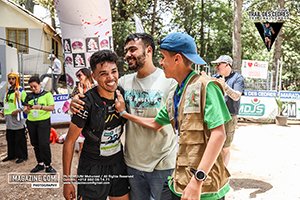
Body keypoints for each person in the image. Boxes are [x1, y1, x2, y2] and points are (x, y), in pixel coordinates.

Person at [114, 32, 231, 200]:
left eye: (163, 57)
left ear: (177, 59)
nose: (160, 62)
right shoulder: (175, 94)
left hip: (205, 189)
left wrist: (197, 181)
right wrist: (125, 113)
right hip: (181, 183)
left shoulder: (206, 86)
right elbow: (156, 123)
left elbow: (219, 135)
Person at [71, 33, 177, 200]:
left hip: (163, 164)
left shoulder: (169, 81)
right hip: (132, 164)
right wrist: (76, 99)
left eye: (133, 49)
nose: (127, 54)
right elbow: (99, 90)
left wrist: (124, 113)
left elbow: (160, 123)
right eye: (126, 50)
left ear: (148, 50)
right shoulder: (123, 83)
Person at [63, 50, 130, 200]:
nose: (111, 77)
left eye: (113, 71)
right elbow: (69, 142)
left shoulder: (123, 94)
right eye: (103, 73)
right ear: (93, 76)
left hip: (117, 162)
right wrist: (67, 181)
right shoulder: (85, 103)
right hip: (92, 167)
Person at [211, 55, 245, 167]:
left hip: (230, 116)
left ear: (227, 65)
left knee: (225, 148)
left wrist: (224, 86)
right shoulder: (215, 77)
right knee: (213, 146)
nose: (216, 67)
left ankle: (223, 175)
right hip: (216, 116)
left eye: (219, 64)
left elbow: (236, 96)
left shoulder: (237, 78)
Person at [23, 76, 56, 173]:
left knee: (44, 144)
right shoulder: (28, 96)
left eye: (35, 86)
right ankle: (40, 163)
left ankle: (48, 165)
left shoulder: (47, 94)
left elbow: (52, 108)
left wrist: (40, 107)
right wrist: (27, 110)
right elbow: (26, 111)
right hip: (31, 122)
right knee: (35, 143)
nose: (33, 89)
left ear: (40, 84)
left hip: (43, 121)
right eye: (31, 87)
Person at [1, 72, 28, 163]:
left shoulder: (20, 91)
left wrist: (18, 110)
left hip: (17, 117)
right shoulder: (8, 91)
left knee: (19, 137)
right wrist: (3, 111)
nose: (11, 80)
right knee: (10, 137)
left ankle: (22, 156)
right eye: (9, 79)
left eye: (13, 79)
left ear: (17, 79)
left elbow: (26, 105)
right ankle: (11, 154)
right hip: (8, 117)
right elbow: (6, 103)